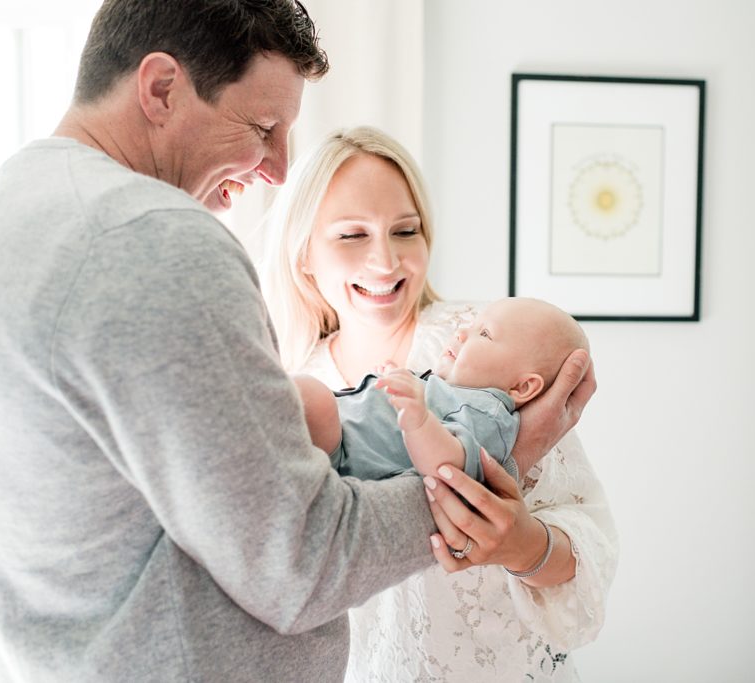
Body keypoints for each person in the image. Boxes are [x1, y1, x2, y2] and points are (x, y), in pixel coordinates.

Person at [0, 3, 594, 682]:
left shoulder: (5, 211)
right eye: (262, 127)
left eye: (403, 229)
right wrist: (494, 465)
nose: (278, 168)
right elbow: (301, 563)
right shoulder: (152, 240)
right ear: (162, 89)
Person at [260, 125, 617, 682]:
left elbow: (589, 541)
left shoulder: (489, 349)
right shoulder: (291, 390)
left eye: (406, 231)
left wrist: (526, 546)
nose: (386, 261)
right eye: (352, 235)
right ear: (304, 253)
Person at [295, 297, 589, 487]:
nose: (461, 333)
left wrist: (419, 421)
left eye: (484, 334)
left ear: (521, 387)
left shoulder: (488, 415)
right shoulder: (454, 393)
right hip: (335, 444)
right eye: (471, 326)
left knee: (310, 396)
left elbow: (453, 466)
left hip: (344, 462)